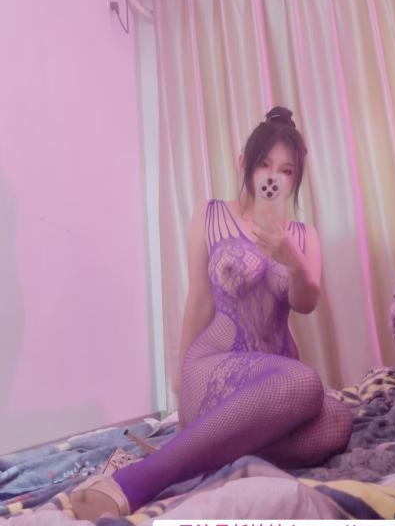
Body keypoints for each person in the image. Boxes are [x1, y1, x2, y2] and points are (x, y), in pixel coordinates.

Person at [70, 106, 353, 520]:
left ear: (296, 178)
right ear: (244, 163)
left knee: (337, 420)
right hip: (214, 365)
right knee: (306, 382)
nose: (273, 177)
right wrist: (180, 375)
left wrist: (294, 262)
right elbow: (200, 300)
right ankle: (135, 481)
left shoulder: (302, 236)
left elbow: (305, 304)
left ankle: (203, 451)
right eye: (264, 164)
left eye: (286, 170)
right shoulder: (210, 214)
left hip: (274, 381)